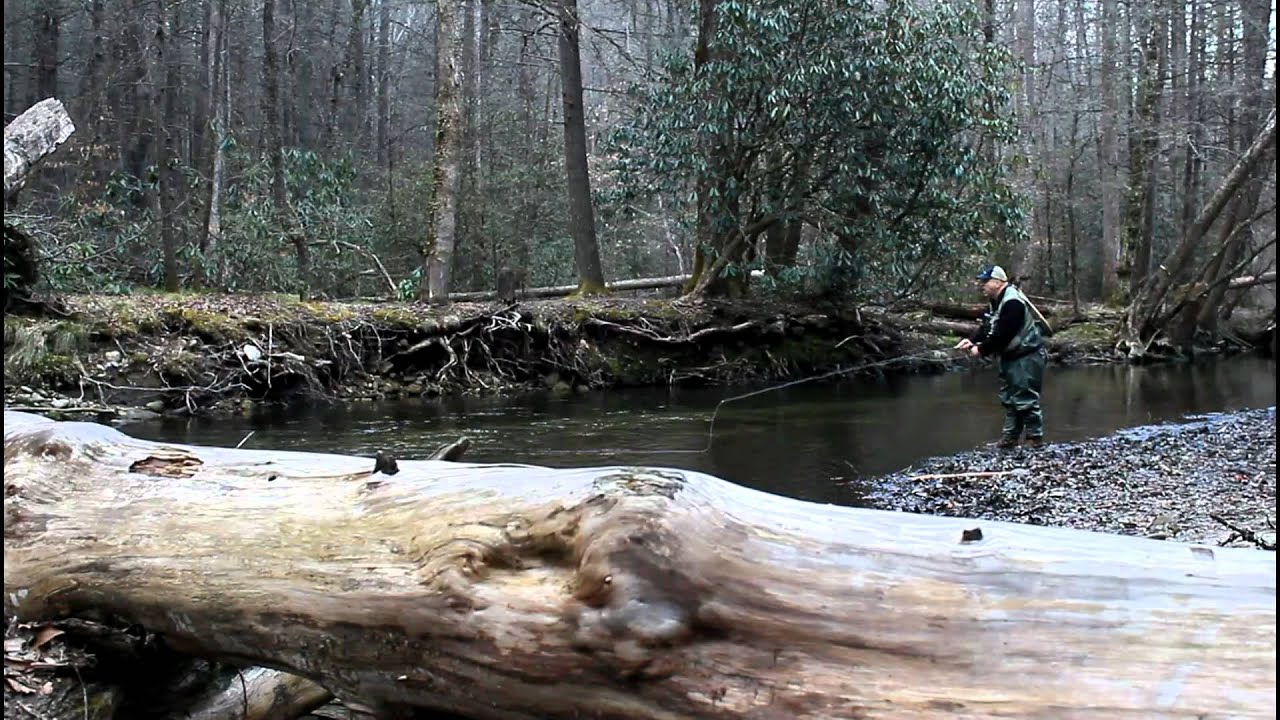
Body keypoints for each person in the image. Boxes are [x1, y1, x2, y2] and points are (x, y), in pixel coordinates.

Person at [954, 265, 1047, 449]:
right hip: (1013, 357)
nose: (982, 285)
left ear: (998, 282)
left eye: (985, 281)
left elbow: (1003, 334)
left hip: (1026, 357)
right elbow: (987, 327)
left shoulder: (1013, 302)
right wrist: (970, 341)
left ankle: (1034, 439)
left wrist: (981, 350)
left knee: (1025, 398)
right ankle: (1010, 438)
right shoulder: (997, 301)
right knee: (1010, 398)